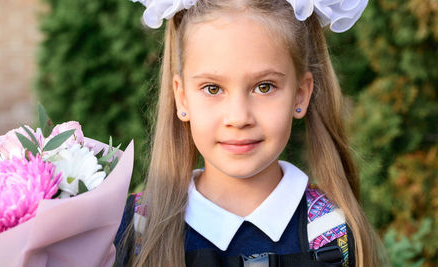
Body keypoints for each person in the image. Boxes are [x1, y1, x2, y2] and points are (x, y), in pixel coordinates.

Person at [115, 0, 384, 266]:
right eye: (212, 88)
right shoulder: (136, 228)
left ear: (300, 94)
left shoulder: (330, 231)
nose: (239, 118)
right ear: (182, 99)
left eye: (264, 87)